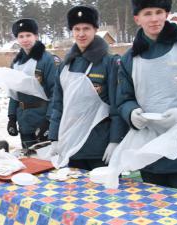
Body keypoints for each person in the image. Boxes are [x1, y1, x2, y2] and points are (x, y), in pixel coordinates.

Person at [116, 0, 177, 193]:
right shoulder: (129, 58)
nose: (154, 19)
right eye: (147, 13)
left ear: (167, 14)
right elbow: (124, 99)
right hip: (149, 154)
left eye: (159, 12)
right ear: (137, 19)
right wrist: (131, 113)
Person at [48, 5, 128, 169]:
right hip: (71, 144)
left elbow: (117, 106)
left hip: (99, 147)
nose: (81, 34)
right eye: (76, 29)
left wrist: (115, 140)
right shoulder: (65, 66)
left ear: (95, 29)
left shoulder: (110, 63)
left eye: (86, 28)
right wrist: (54, 137)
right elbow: (58, 105)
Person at [7, 18, 58, 149]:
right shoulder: (16, 63)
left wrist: (49, 120)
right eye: (21, 36)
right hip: (24, 120)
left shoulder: (48, 60)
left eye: (28, 35)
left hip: (43, 117)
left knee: (46, 162)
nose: (25, 39)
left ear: (36, 36)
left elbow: (56, 93)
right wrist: (12, 118)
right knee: (29, 160)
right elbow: (14, 92)